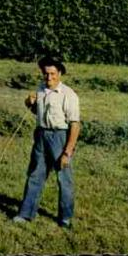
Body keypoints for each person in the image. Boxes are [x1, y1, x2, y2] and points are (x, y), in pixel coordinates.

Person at [13, 56, 81, 229]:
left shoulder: (69, 94)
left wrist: (67, 152)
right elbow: (38, 112)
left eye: (52, 74)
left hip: (60, 137)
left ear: (60, 74)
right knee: (35, 174)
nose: (49, 78)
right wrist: (29, 103)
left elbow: (75, 125)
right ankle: (26, 214)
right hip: (41, 135)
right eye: (45, 74)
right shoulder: (41, 89)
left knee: (64, 179)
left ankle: (65, 218)